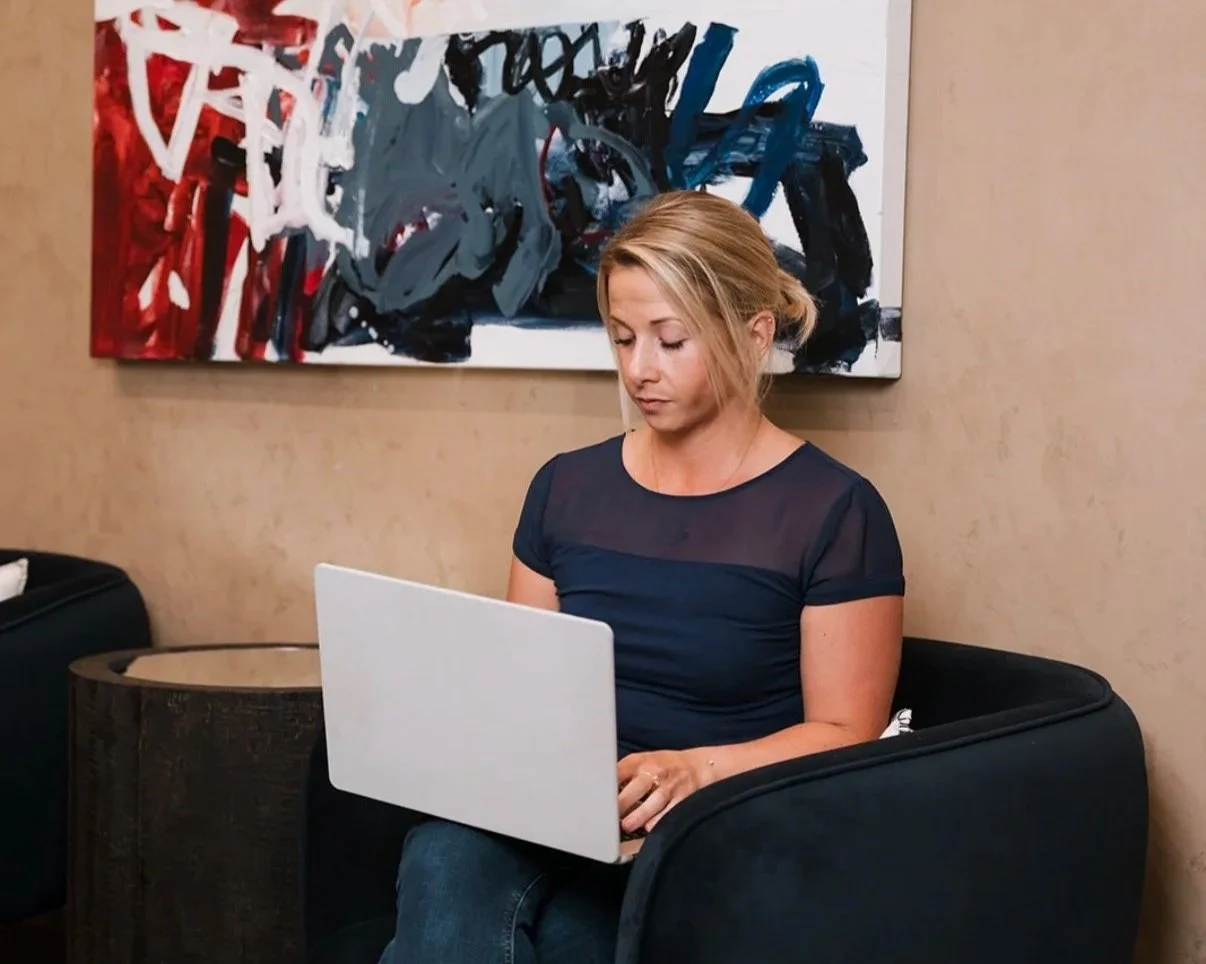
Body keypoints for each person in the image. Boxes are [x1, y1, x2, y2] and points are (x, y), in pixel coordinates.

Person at [376, 190, 905, 964]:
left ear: (754, 336)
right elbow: (528, 690)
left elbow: (847, 732)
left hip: (715, 832)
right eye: (622, 338)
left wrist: (695, 769)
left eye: (670, 340)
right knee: (444, 851)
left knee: (551, 938)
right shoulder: (565, 488)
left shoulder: (835, 511)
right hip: (567, 823)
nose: (638, 369)